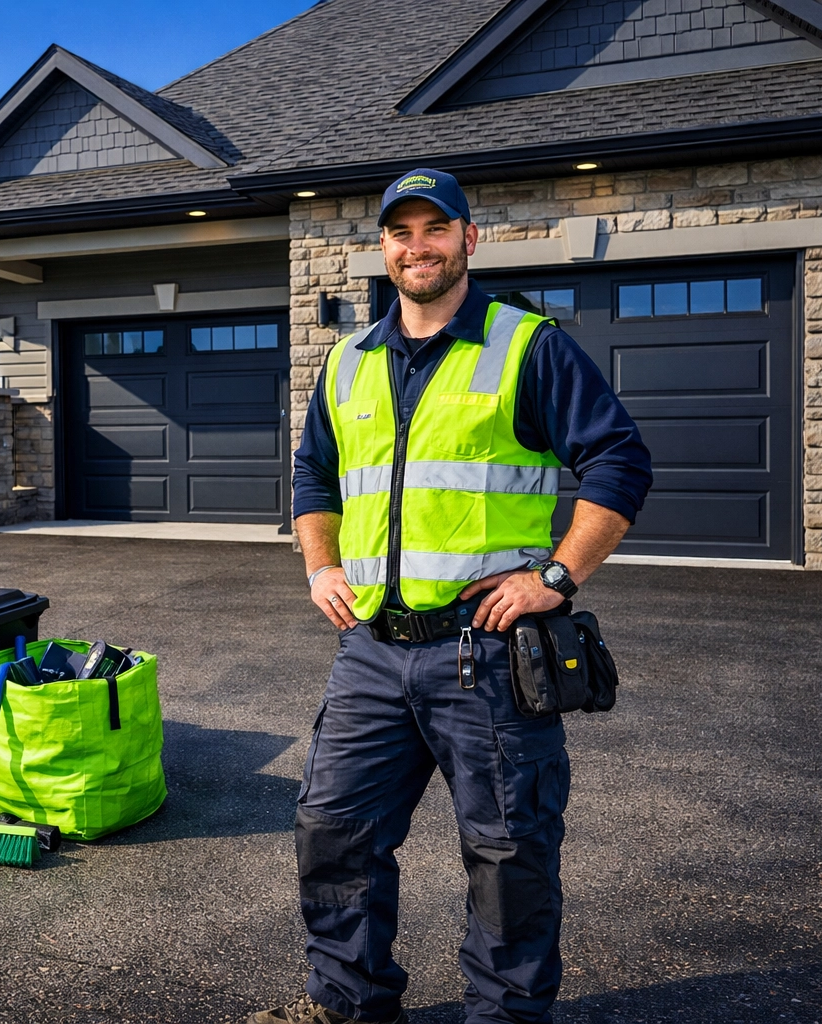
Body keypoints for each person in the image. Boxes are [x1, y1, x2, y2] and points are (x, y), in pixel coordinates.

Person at [248, 168, 653, 1024]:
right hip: (370, 649)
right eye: (402, 232)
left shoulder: (525, 345)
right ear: (384, 248)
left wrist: (555, 577)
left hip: (484, 654)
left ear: (470, 239)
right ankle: (348, 1004)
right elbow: (314, 472)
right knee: (332, 834)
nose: (417, 246)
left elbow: (620, 458)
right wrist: (320, 566)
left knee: (509, 855)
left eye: (437, 228)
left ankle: (504, 1016)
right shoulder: (349, 361)